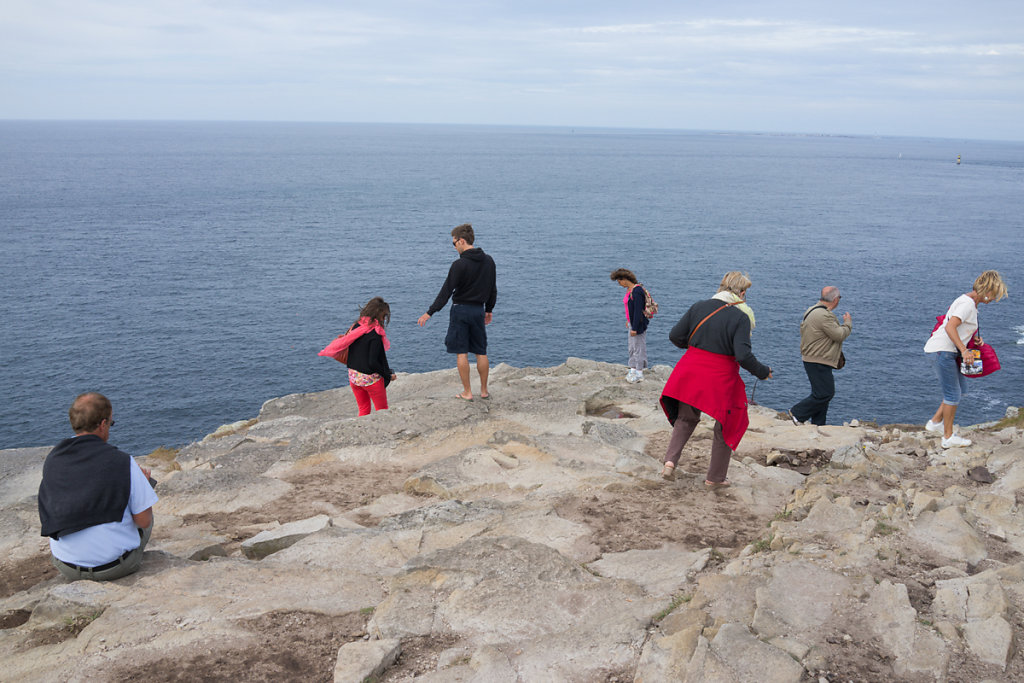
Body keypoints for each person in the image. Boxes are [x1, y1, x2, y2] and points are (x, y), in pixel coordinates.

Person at [659, 272, 773, 486]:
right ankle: (715, 478)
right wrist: (762, 371)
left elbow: (675, 336)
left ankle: (669, 463)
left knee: (686, 418)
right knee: (726, 423)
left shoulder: (699, 306)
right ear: (742, 292)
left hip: (690, 369)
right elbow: (743, 356)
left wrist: (697, 350)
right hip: (719, 375)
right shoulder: (741, 317)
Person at [37, 393, 158, 582]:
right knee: (145, 510)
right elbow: (143, 521)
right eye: (111, 423)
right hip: (114, 567)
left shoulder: (53, 459)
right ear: (102, 424)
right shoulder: (122, 462)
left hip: (66, 565)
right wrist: (142, 485)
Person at [923, 270, 1008, 448]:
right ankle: (948, 438)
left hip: (943, 350)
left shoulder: (968, 302)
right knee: (952, 394)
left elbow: (956, 327)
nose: (993, 299)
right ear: (987, 290)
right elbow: (950, 327)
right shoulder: (967, 305)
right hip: (942, 351)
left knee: (958, 390)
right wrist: (964, 350)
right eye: (994, 294)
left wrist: (972, 339)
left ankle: (935, 423)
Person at [417, 223, 497, 400]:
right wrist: (489, 309)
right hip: (478, 310)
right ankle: (484, 391)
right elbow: (492, 289)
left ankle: (467, 392)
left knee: (462, 352)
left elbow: (446, 291)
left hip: (461, 310)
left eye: (454, 243)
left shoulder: (459, 265)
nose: (454, 247)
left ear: (461, 241)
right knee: (481, 352)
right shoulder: (489, 261)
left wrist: (429, 312)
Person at [319, 297, 396, 416]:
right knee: (382, 411)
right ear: (379, 315)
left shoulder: (356, 327)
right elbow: (372, 362)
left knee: (363, 409)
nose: (384, 319)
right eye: (384, 316)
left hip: (354, 377)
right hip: (370, 380)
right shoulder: (375, 334)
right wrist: (387, 375)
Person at [788, 286, 852, 426]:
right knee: (826, 393)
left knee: (820, 393)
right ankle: (797, 413)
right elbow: (839, 335)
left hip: (813, 357)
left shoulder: (812, 310)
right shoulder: (823, 315)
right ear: (835, 300)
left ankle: (818, 423)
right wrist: (848, 323)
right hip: (818, 359)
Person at [610, 268, 649, 383]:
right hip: (632, 323)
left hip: (638, 325)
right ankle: (633, 369)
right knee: (632, 347)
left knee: (639, 348)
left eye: (619, 281)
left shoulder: (637, 291)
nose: (619, 284)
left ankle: (639, 372)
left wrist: (635, 327)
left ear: (625, 279)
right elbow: (630, 309)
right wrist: (629, 320)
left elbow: (638, 311)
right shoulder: (629, 290)